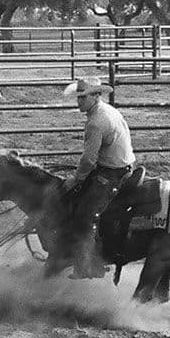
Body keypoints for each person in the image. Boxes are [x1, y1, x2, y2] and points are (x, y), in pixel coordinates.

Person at [61, 78, 136, 279]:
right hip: (122, 165)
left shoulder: (96, 122)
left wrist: (76, 179)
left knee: (84, 215)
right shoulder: (107, 110)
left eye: (83, 97)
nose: (79, 102)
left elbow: (88, 159)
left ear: (96, 96)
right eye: (78, 98)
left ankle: (89, 265)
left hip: (112, 172)